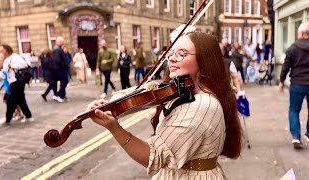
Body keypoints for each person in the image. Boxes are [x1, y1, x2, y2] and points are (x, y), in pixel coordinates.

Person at [87, 31, 242, 179]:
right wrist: (112, 104)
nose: (172, 59)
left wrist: (114, 128)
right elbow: (144, 91)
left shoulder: (203, 104)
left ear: (204, 60)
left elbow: (153, 157)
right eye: (171, 53)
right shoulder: (182, 92)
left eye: (182, 54)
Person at [279, 22, 309, 149]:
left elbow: (286, 66)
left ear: (301, 33)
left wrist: (281, 81)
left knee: (294, 110)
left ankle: (296, 136)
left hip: (297, 83)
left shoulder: (292, 48)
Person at [0, 44, 33, 125]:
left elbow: (25, 65)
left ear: (6, 50)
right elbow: (4, 72)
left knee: (10, 101)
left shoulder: (15, 57)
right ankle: (28, 116)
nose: (1, 52)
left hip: (17, 81)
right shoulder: (7, 60)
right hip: (13, 82)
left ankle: (8, 119)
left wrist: (13, 66)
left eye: (2, 50)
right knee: (21, 100)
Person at [53, 36, 69, 103]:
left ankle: (62, 95)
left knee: (63, 81)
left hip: (61, 69)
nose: (63, 42)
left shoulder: (58, 49)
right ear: (59, 42)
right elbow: (57, 60)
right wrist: (64, 65)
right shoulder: (57, 49)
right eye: (62, 41)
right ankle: (59, 95)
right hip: (60, 69)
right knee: (65, 81)